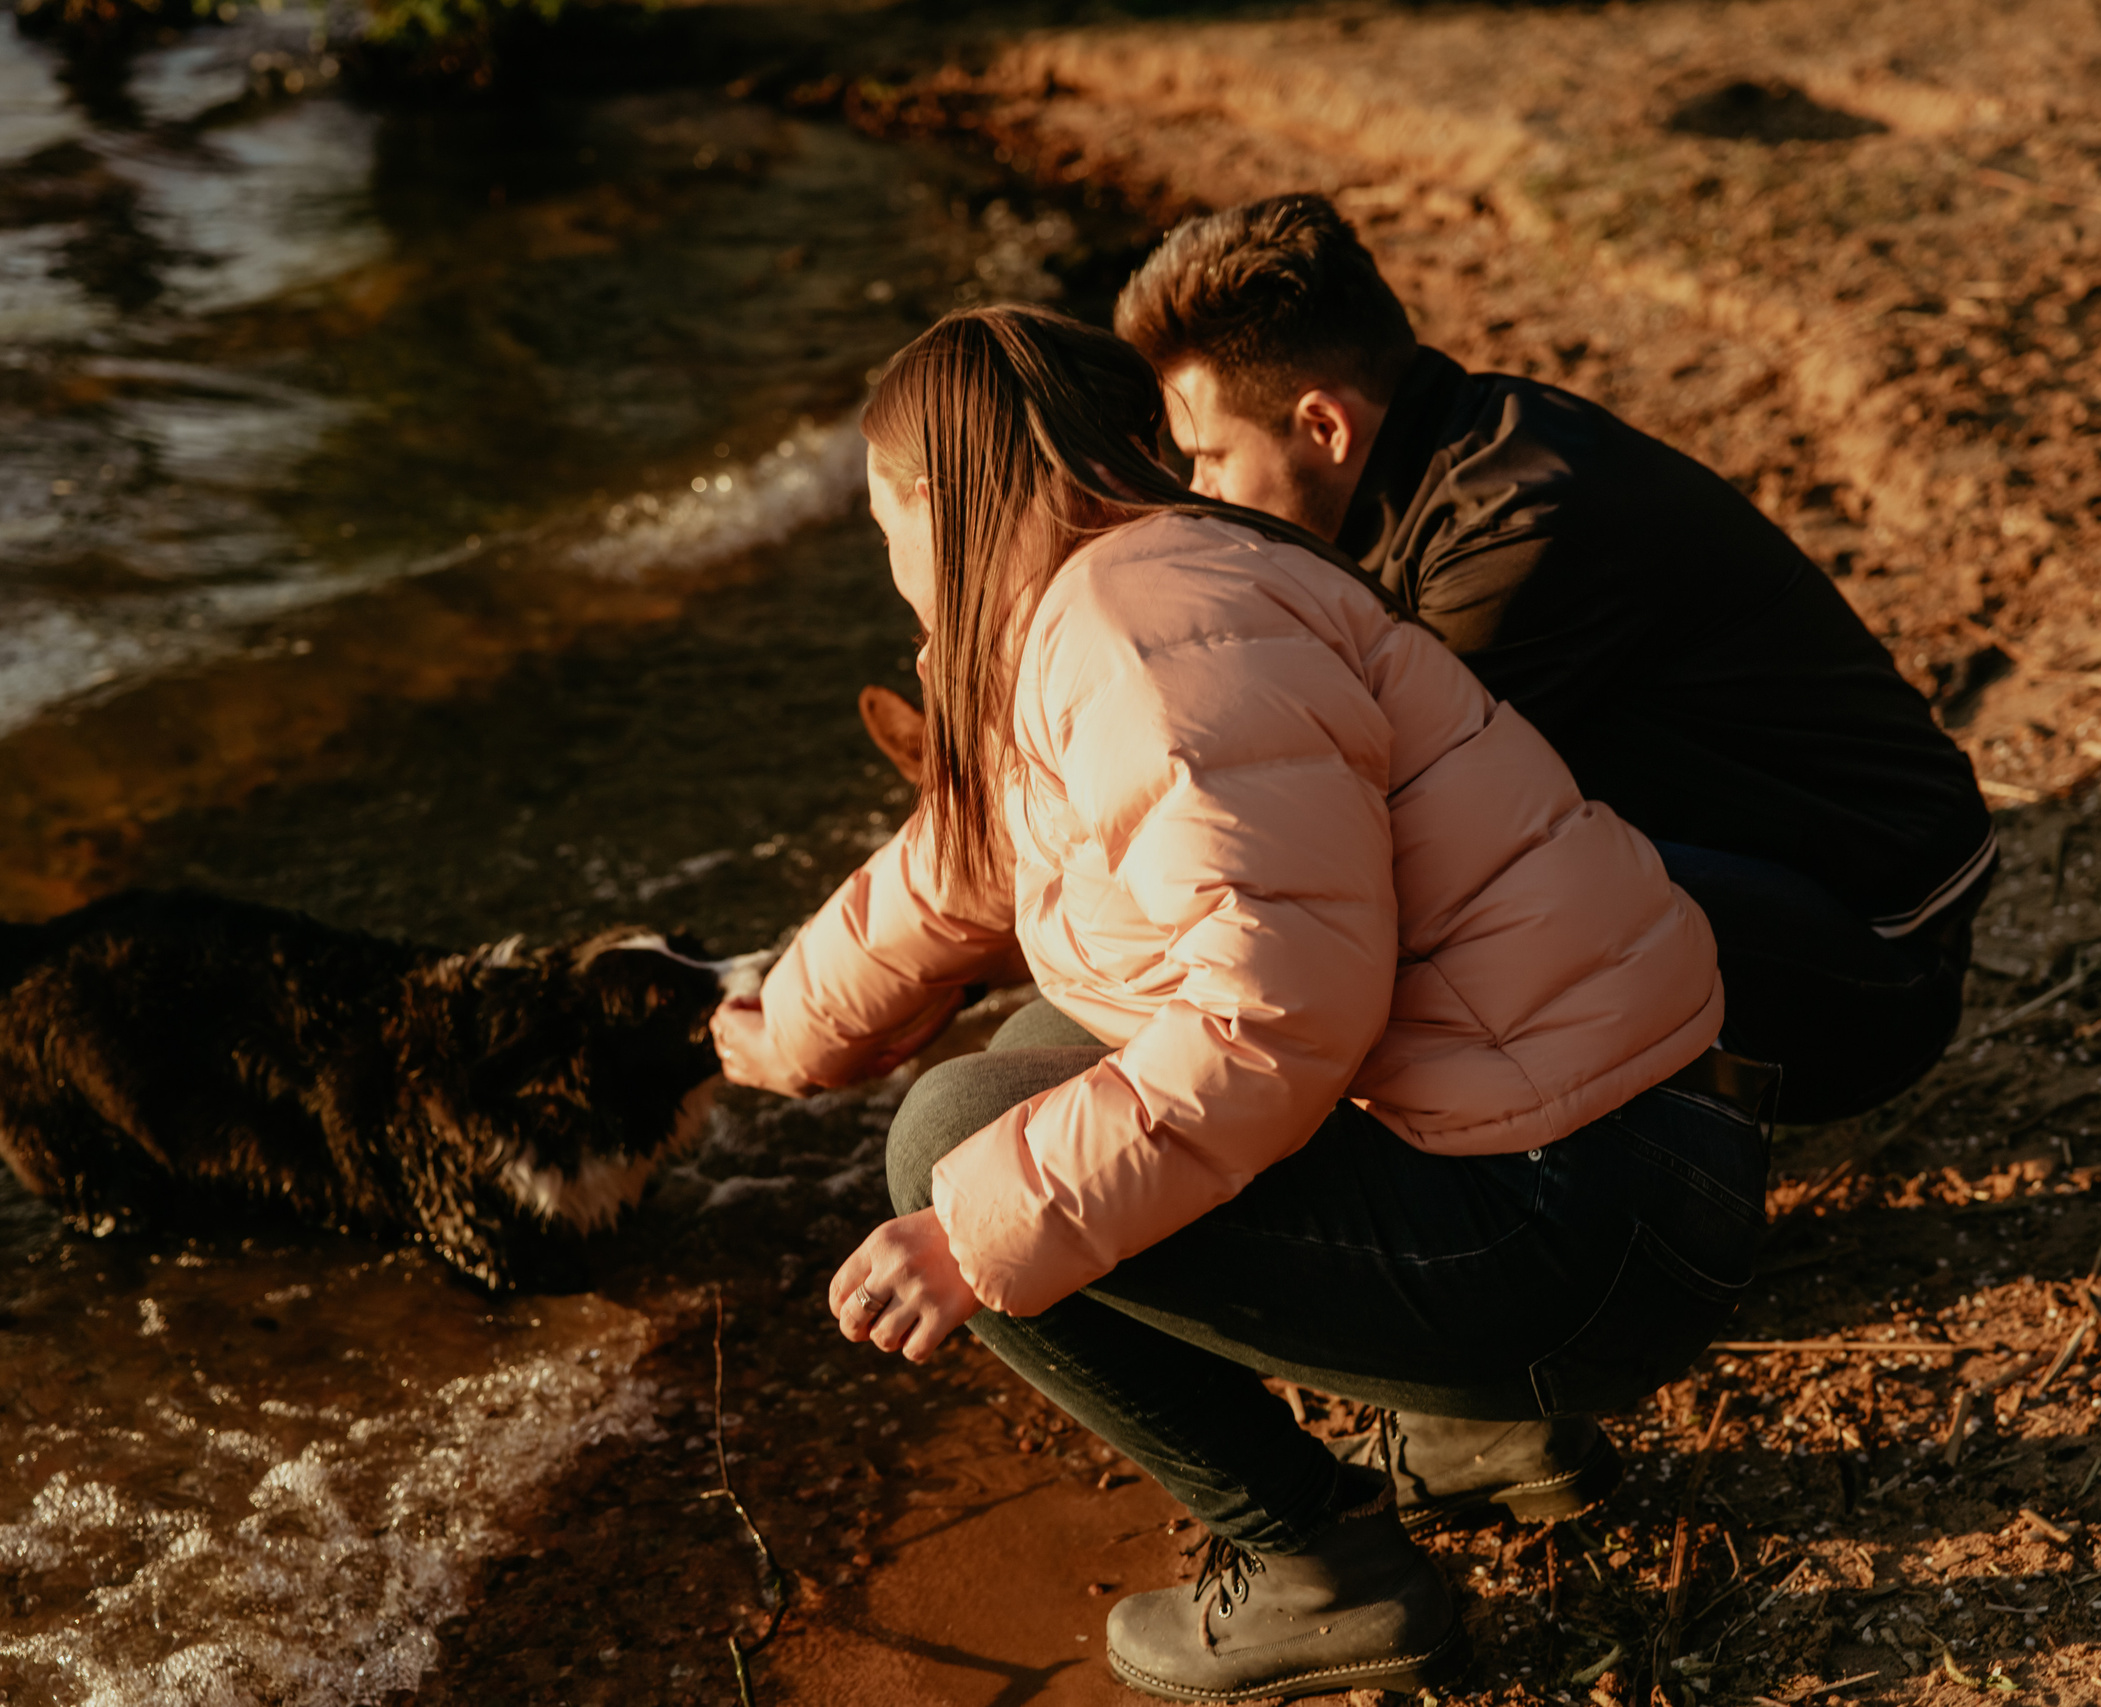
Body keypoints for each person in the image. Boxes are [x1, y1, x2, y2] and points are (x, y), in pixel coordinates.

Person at [713, 304, 1773, 1704]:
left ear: (944, 499)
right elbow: (958, 870)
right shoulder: (1131, 598)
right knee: (1053, 1046)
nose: (891, 563)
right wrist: (767, 1026)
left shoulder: (1139, 635)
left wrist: (976, 1231)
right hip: (1607, 1163)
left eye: (883, 524)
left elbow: (1275, 1011)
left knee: (960, 1135)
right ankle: (1477, 1434)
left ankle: (1316, 1565)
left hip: (1589, 1218)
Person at [1113, 192, 1997, 1131]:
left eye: (1208, 458)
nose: (1199, 498)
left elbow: (1363, 827)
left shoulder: (1511, 541)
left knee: (1431, 889)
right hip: (1796, 886)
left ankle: (1667, 1179)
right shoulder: (1450, 452)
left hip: (1879, 958)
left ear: (1323, 426)